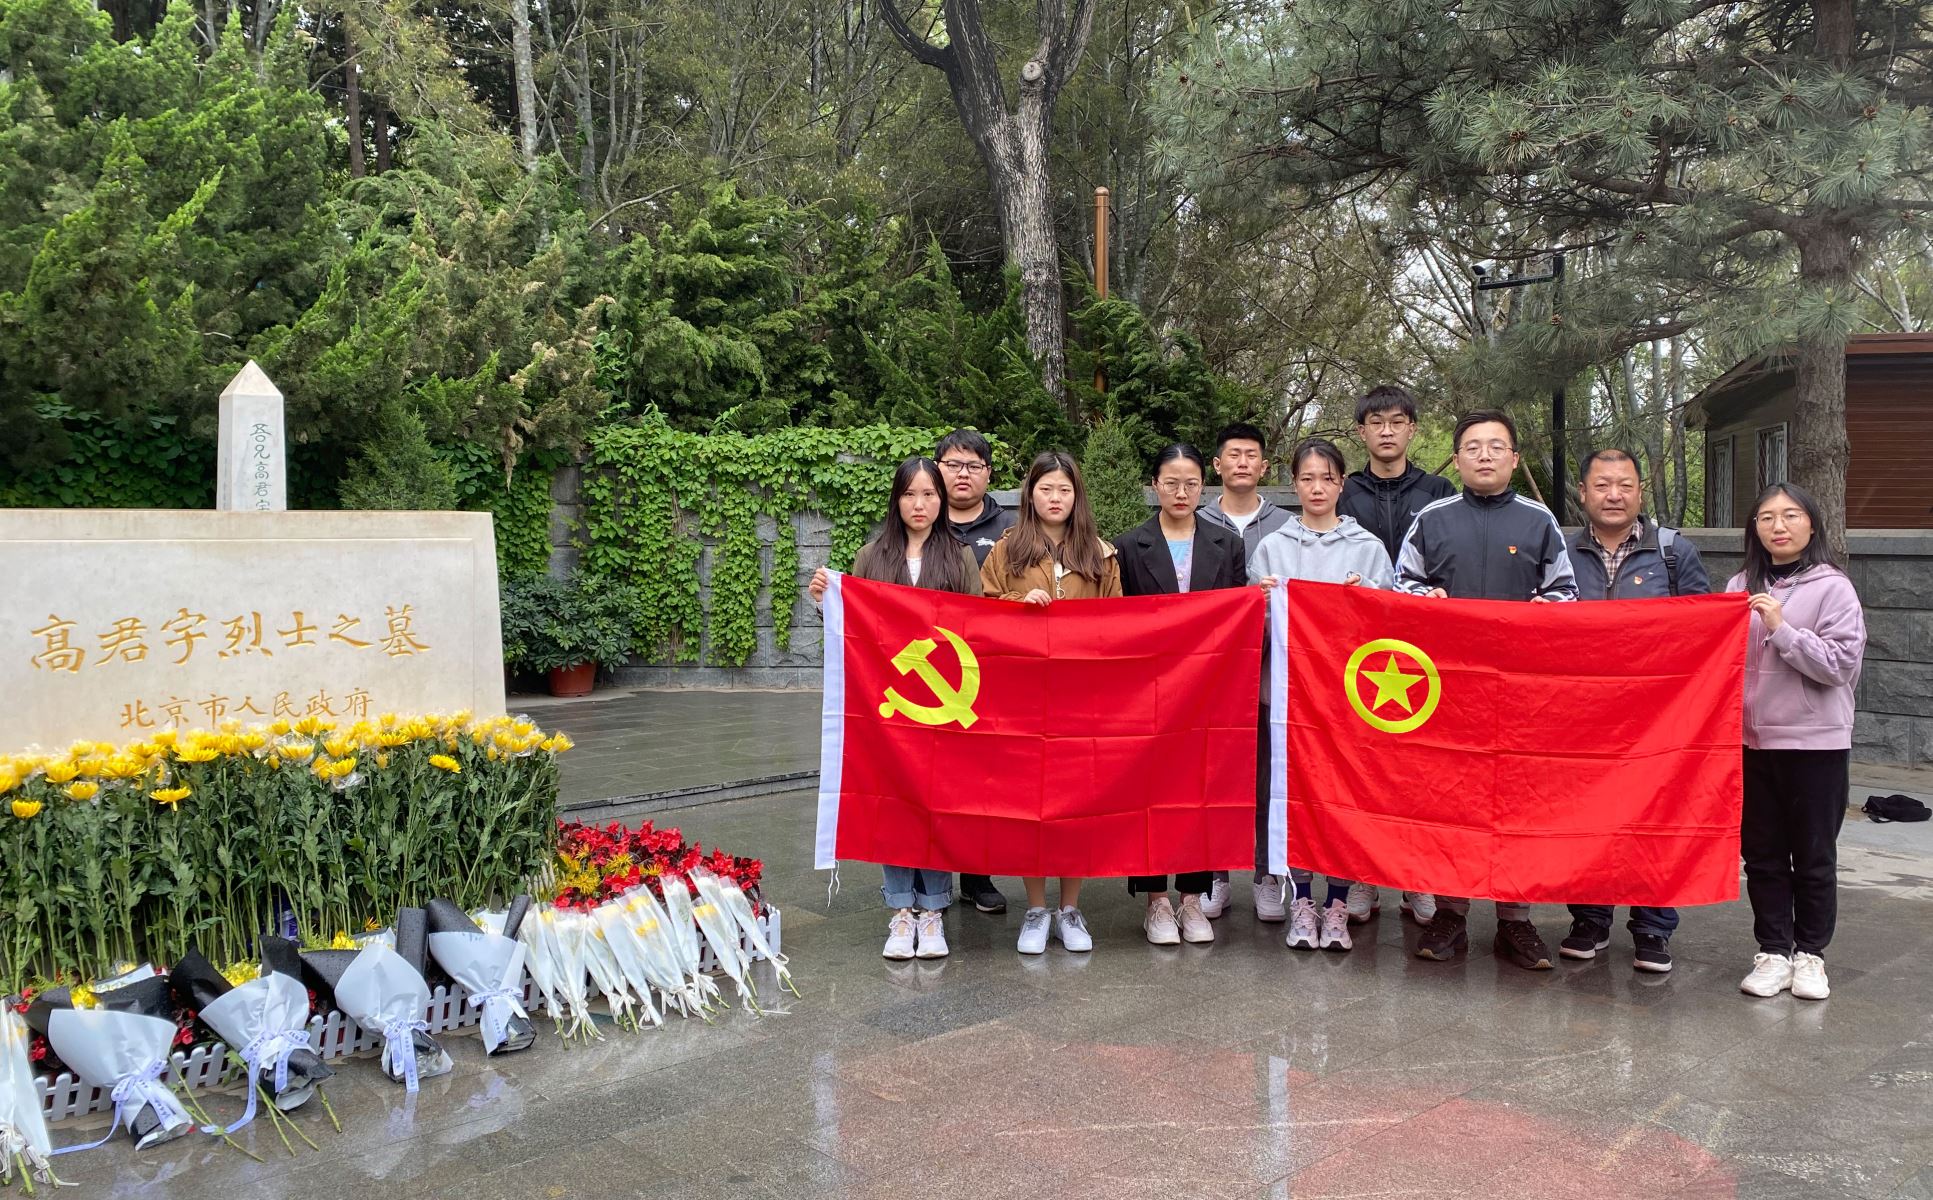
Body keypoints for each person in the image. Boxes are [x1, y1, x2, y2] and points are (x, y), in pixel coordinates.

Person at [1396, 409, 1577, 970]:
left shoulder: (1539, 522)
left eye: (1496, 446)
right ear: (1457, 458)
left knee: (1517, 801)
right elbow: (1402, 586)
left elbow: (1566, 593)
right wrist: (1428, 603)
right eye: (1473, 446)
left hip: (1519, 693)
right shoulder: (1431, 518)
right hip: (1447, 693)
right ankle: (1450, 911)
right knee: (1452, 799)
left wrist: (1535, 614)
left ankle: (1515, 920)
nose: (1484, 455)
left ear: (1514, 459)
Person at [808, 458, 984, 961]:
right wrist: (825, 602)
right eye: (910, 494)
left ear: (941, 501)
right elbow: (854, 626)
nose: (919, 504)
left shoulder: (959, 557)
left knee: (936, 808)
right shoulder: (872, 555)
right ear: (897, 500)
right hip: (887, 708)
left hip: (944, 707)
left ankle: (933, 910)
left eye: (929, 494)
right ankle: (900, 909)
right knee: (893, 806)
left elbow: (978, 627)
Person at [1558, 448, 1713, 974]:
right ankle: (1590, 918)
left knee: (1656, 818)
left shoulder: (1673, 552)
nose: (1614, 495)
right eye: (1602, 485)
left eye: (1624, 485)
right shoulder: (1560, 550)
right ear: (1583, 492)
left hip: (1657, 717)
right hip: (1582, 714)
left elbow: (1703, 629)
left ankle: (1653, 926)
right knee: (1587, 818)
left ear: (1640, 491)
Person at [1251, 439, 1394, 953]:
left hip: (1348, 700)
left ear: (1341, 484)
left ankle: (1337, 902)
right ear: (1294, 483)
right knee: (1295, 798)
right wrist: (1262, 601)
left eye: (1327, 478)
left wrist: (1365, 597)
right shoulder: (1271, 548)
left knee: (1343, 799)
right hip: (1288, 699)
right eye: (1307, 478)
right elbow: (1252, 626)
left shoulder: (1368, 547)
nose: (1317, 488)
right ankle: (1303, 899)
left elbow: (1392, 621)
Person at [1727, 483, 1867, 1002]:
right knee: (1762, 855)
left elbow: (1840, 666)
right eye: (1766, 517)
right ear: (1754, 528)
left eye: (1790, 515)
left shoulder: (1834, 588)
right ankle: (1772, 951)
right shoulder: (1739, 584)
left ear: (1811, 524)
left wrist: (1782, 629)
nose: (1778, 526)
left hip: (1815, 745)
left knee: (1812, 856)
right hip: (1750, 744)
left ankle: (1811, 955)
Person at [981, 451, 1124, 955]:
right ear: (1031, 494)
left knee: (1078, 804)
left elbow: (1118, 624)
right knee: (1030, 805)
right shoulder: (1006, 551)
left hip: (1082, 699)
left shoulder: (1101, 555)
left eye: (1064, 489)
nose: (1056, 498)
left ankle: (1071, 908)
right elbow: (980, 612)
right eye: (1046, 489)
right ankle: (1037, 908)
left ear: (1077, 495)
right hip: (1023, 698)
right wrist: (1016, 605)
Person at [1113, 444, 1248, 947]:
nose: (1181, 492)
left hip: (1209, 689)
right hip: (1148, 692)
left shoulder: (1226, 544)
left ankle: (1193, 898)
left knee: (1201, 792)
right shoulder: (1130, 546)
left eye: (1191, 483)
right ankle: (1156, 900)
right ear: (1155, 485)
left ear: (1202, 487)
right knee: (1150, 793)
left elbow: (1238, 612)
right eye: (1171, 482)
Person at [1335, 384, 1454, 928]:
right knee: (1362, 767)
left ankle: (1416, 875)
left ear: (1412, 429)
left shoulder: (1439, 491)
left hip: (1425, 652)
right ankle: (1364, 873)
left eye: (1397, 421)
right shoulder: (1345, 490)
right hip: (1356, 651)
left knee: (1421, 771)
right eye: (1376, 422)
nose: (1387, 431)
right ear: (1361, 431)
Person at [1196, 422, 1292, 923]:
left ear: (1264, 466)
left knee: (1266, 776)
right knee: (1214, 775)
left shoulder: (1286, 526)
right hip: (1212, 675)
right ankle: (1214, 873)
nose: (1242, 462)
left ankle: (1265, 874)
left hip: (1271, 674)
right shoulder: (1195, 521)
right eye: (1232, 454)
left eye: (1251, 455)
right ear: (1217, 465)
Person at [935, 428, 1015, 916]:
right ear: (937, 470)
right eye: (953, 465)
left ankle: (978, 876)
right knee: (934, 775)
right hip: (930, 671)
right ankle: (931, 876)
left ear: (988, 474)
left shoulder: (1011, 529)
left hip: (993, 671)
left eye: (973, 466)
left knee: (984, 778)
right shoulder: (918, 518)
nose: (962, 474)